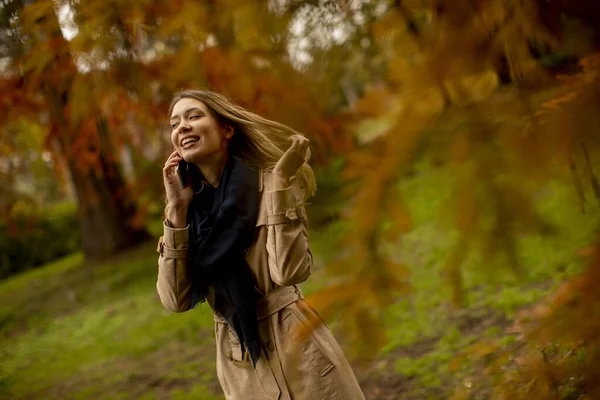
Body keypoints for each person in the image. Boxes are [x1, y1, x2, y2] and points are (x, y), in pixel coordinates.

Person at [156, 90, 365, 400]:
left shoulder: (271, 182)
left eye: (194, 116)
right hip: (240, 364)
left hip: (297, 345)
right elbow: (176, 299)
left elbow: (289, 271)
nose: (182, 127)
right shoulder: (187, 213)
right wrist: (176, 210)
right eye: (175, 123)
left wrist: (280, 183)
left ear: (226, 129)